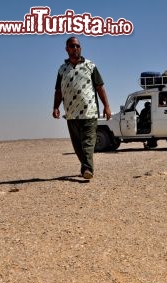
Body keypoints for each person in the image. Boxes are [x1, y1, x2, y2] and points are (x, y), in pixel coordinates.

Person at [53, 37, 111, 180]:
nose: (76, 48)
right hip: (71, 113)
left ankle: (88, 169)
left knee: (88, 142)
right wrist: (55, 107)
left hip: (89, 111)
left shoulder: (90, 66)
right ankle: (85, 167)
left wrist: (107, 106)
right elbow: (59, 91)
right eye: (72, 46)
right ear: (67, 49)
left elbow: (100, 87)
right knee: (77, 145)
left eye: (78, 46)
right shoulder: (62, 69)